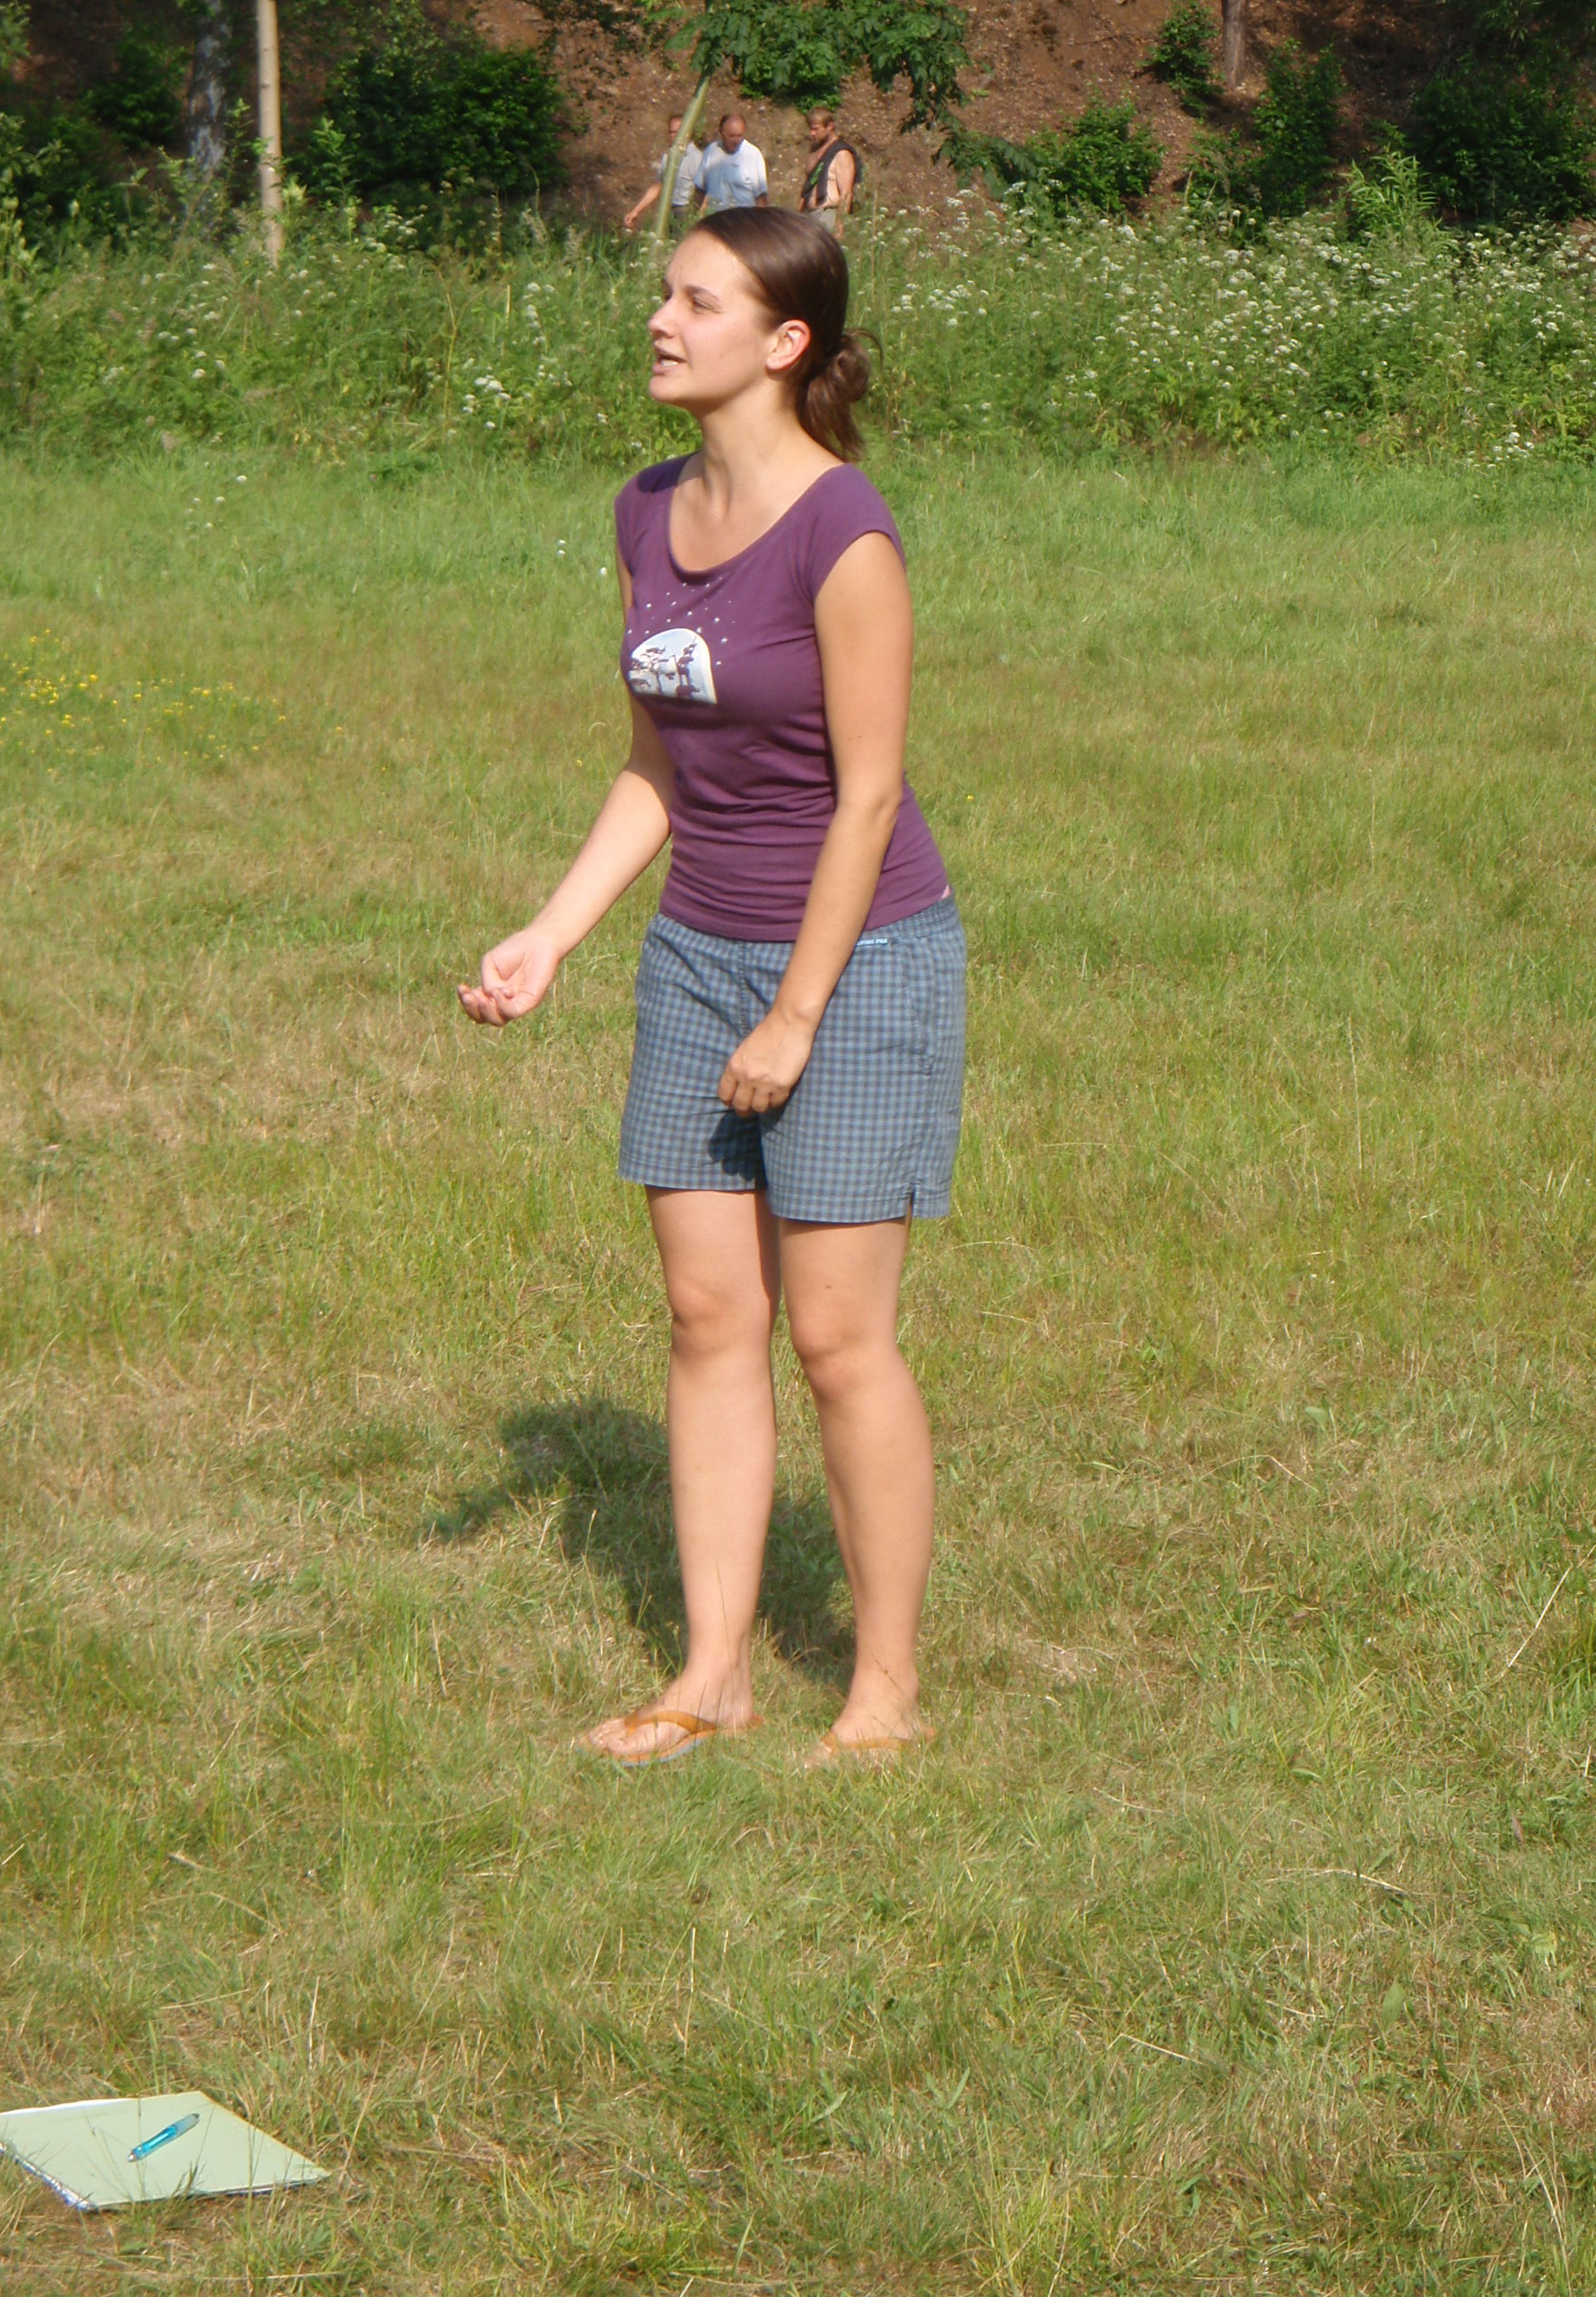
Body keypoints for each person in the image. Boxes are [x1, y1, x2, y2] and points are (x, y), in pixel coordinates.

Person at [458, 211, 964, 1769]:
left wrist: (797, 1014)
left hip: (857, 963)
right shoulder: (644, 513)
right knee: (705, 1313)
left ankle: (885, 1690)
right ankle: (716, 1672)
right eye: (664, 294)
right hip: (694, 954)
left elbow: (866, 798)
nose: (661, 320)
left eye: (697, 300)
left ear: (784, 342)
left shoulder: (843, 534)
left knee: (837, 1340)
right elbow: (656, 768)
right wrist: (554, 933)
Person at [624, 112, 702, 235]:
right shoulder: (668, 157)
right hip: (668, 211)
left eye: (678, 131)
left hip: (687, 212)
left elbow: (704, 190)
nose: (675, 136)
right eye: (672, 132)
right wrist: (636, 211)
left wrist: (699, 216)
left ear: (688, 132)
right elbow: (658, 185)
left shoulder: (696, 158)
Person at [799, 108, 861, 238]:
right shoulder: (813, 150)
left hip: (828, 214)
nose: (812, 133)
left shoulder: (842, 153)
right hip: (809, 215)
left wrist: (840, 225)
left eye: (816, 129)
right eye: (810, 129)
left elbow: (846, 193)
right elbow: (807, 186)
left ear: (830, 126)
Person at [692, 114, 768, 214]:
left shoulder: (753, 155)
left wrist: (758, 220)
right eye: (732, 136)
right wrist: (696, 215)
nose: (736, 141)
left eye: (740, 136)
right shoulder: (711, 151)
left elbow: (761, 197)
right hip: (714, 217)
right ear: (721, 133)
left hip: (741, 218)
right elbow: (700, 189)